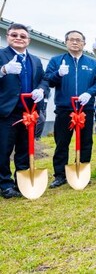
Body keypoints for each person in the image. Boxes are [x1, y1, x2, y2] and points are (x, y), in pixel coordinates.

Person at [44, 30, 96, 188]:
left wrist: (89, 94)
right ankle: (60, 175)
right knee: (62, 142)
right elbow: (47, 80)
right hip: (64, 108)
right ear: (66, 42)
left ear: (84, 43)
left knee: (86, 141)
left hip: (86, 108)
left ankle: (83, 170)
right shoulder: (57, 61)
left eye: (79, 40)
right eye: (71, 40)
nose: (75, 42)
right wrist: (58, 74)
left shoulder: (92, 64)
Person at [0, 23, 49, 198]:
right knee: (3, 150)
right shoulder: (1, 55)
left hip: (29, 112)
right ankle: (5, 184)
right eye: (14, 35)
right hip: (6, 111)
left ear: (28, 40)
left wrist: (42, 90)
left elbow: (43, 80)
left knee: (24, 148)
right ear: (8, 37)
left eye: (23, 36)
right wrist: (4, 70)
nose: (18, 38)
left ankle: (22, 181)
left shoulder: (35, 60)